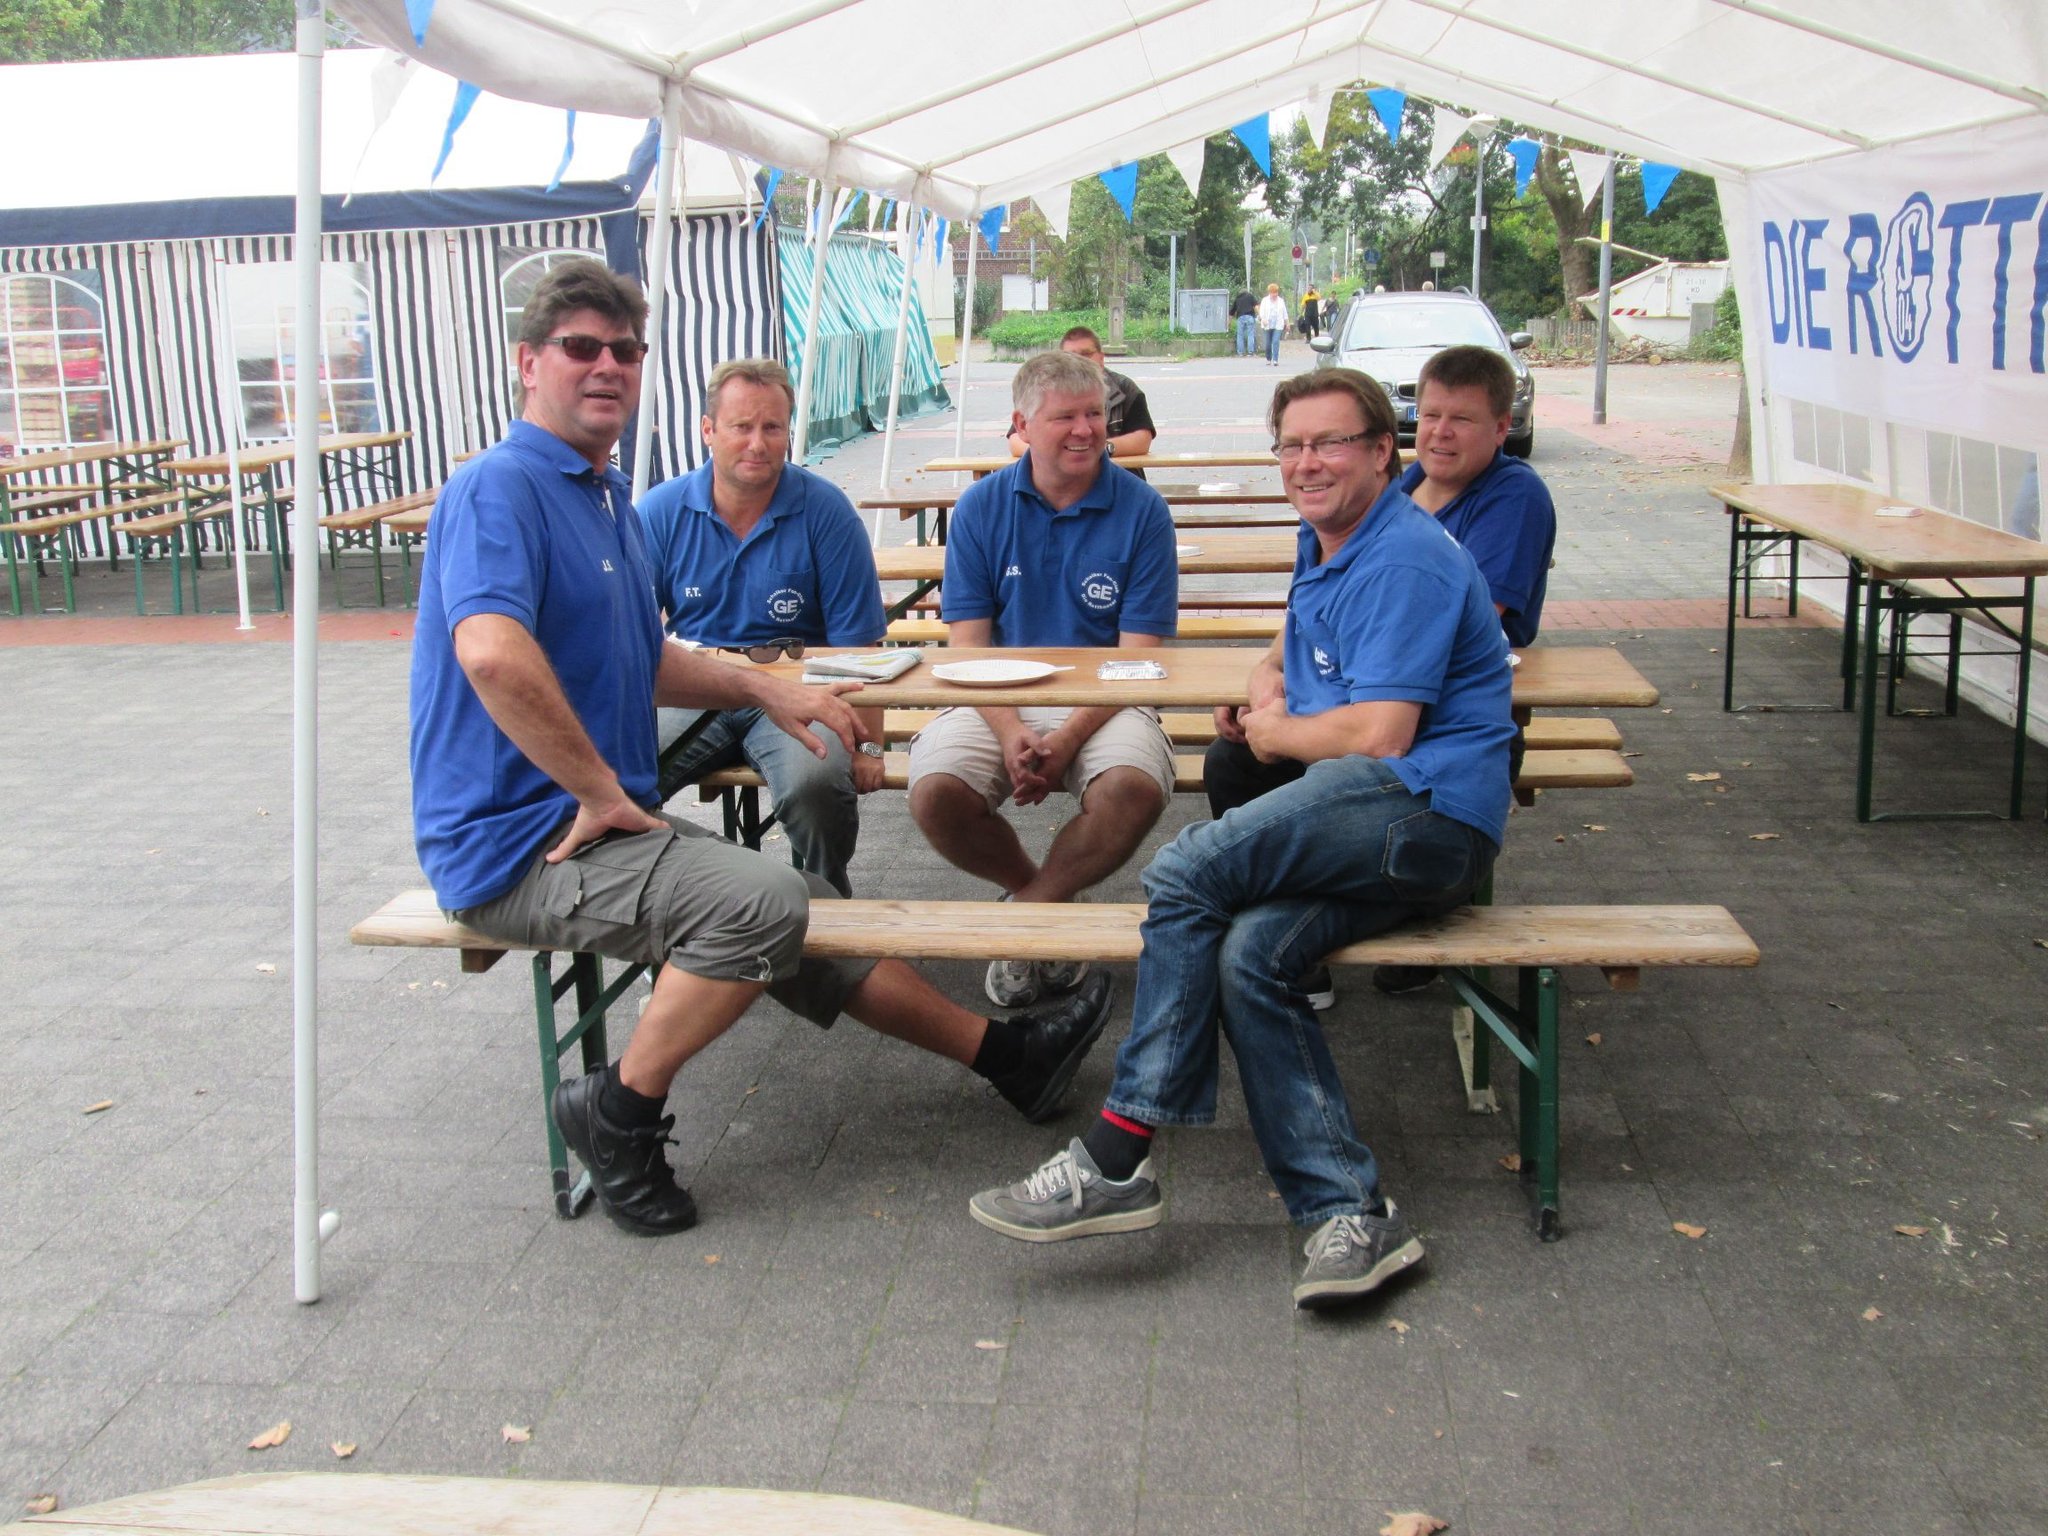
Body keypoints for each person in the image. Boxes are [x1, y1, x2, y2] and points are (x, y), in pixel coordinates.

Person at [408, 258, 1112, 1238]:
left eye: (626, 350)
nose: (607, 365)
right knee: (764, 902)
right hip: (521, 847)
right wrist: (598, 787)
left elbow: (639, 654)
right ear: (528, 362)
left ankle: (1010, 1061)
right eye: (581, 348)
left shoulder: (601, 494)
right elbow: (489, 654)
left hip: (585, 826)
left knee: (806, 906)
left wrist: (761, 686)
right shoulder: (502, 488)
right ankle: (617, 1111)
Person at [968, 368, 1515, 1311]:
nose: (1308, 463)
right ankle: (1349, 1214)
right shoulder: (1339, 534)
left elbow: (1380, 733)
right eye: (1292, 446)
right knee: (1251, 954)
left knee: (1186, 870)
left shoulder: (1406, 558)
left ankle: (1119, 1150)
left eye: (1332, 443)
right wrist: (1265, 681)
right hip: (1384, 813)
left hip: (1426, 815)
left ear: (1384, 451)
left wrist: (1276, 734)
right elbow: (1294, 637)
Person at [913, 348, 1179, 1009]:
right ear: (1022, 425)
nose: (1086, 430)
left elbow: (1139, 659)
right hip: (994, 694)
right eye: (1065, 417)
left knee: (1133, 789)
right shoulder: (979, 507)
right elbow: (968, 648)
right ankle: (1048, 896)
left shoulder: (1143, 510)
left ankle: (1025, 917)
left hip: (1110, 696)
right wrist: (1012, 731)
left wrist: (1064, 739)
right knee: (934, 793)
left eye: (1095, 414)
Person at [638, 358, 885, 897]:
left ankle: (827, 911)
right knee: (611, 777)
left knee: (816, 786)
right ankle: (686, 903)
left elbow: (861, 646)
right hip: (695, 686)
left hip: (800, 692)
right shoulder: (659, 512)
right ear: (708, 430)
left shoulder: (825, 510)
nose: (757, 443)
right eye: (741, 427)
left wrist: (869, 745)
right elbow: (628, 638)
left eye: (772, 427)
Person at [1006, 326, 1156, 464]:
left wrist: (1101, 449)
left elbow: (1143, 439)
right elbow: (1015, 440)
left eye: (1086, 354)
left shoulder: (1126, 389)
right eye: (1065, 416)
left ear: (1101, 358)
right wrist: (1052, 453)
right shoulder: (1044, 390)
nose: (1079, 361)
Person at [1256, 283, 1288, 367]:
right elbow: (1261, 312)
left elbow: (1285, 313)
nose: (1274, 294)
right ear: (1269, 292)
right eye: (1273, 292)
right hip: (1267, 325)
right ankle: (1268, 358)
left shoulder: (1281, 301)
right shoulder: (1265, 300)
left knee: (1275, 341)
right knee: (1268, 343)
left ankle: (1275, 359)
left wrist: (1287, 323)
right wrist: (1263, 319)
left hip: (1278, 325)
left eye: (1276, 292)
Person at [1230, 287, 1259, 357]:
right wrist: (1259, 315)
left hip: (1240, 318)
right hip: (1250, 317)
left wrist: (1229, 322)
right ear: (1247, 292)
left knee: (1240, 335)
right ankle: (1250, 352)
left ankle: (1240, 352)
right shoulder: (1250, 296)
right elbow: (1256, 306)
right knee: (1250, 334)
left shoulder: (1237, 298)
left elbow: (1232, 312)